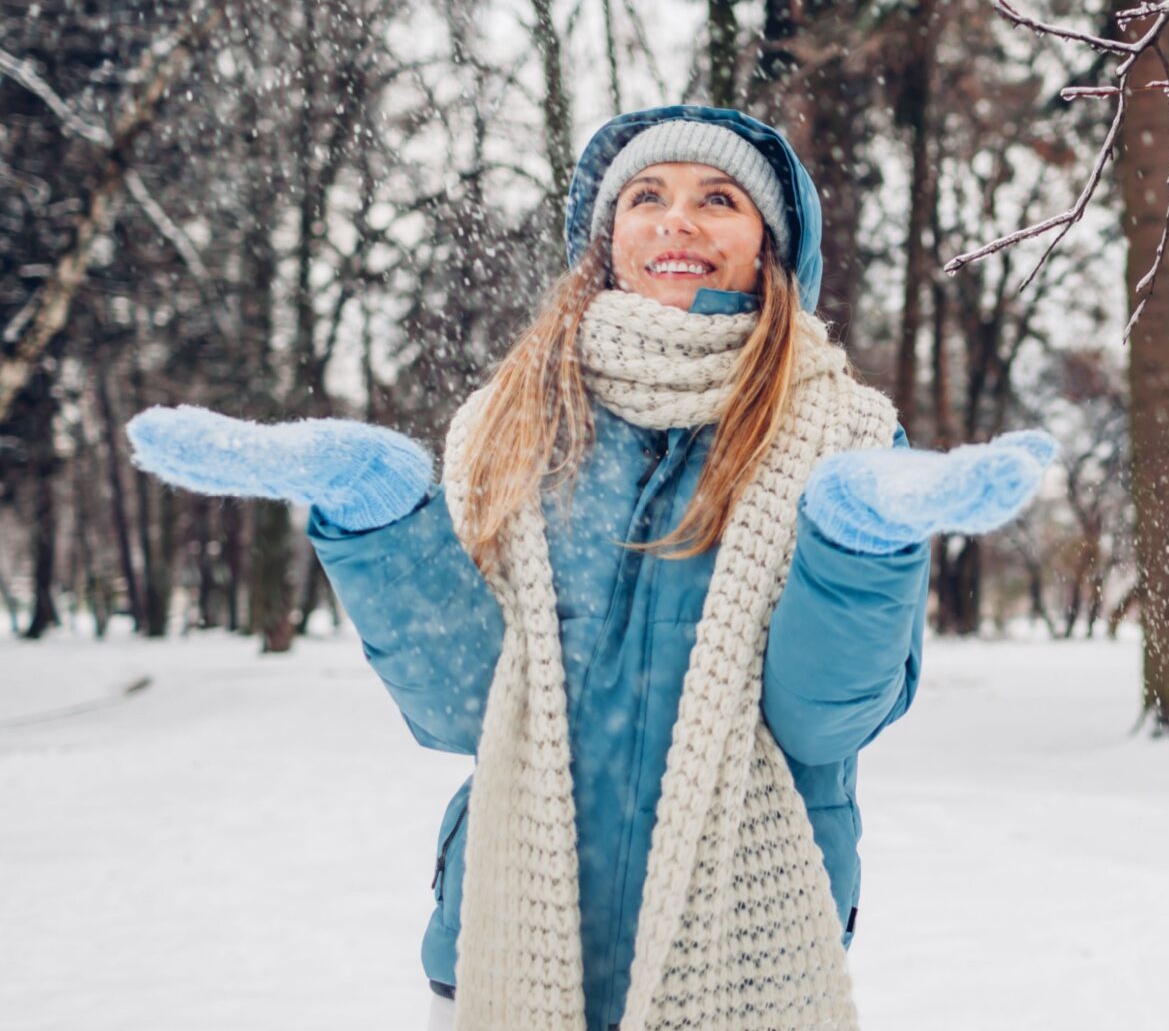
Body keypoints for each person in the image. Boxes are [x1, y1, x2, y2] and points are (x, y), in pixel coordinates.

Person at [125, 105, 1054, 1031]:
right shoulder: (512, 421)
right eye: (646, 195)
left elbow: (820, 725)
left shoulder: (840, 432)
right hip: (502, 937)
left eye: (718, 198)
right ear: (609, 237)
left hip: (746, 954)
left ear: (770, 245)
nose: (676, 220)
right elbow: (465, 711)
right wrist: (376, 516)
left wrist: (857, 541)